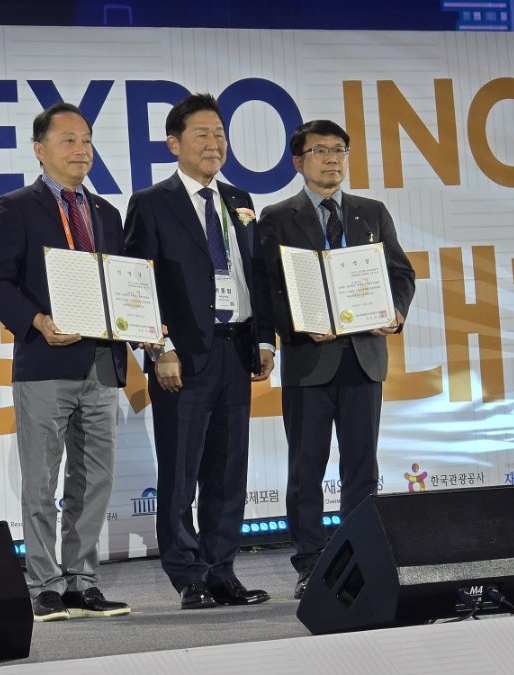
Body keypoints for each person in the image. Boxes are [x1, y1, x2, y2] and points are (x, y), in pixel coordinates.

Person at [124, 93, 276, 610]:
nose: (214, 144)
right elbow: (137, 283)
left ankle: (222, 570)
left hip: (236, 350)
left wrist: (263, 338)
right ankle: (188, 575)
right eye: (202, 135)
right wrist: (158, 347)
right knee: (180, 472)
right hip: (181, 357)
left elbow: (255, 274)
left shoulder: (238, 198)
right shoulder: (152, 202)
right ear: (174, 144)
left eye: (220, 134)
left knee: (228, 470)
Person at [0, 102, 130, 621]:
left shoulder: (106, 213)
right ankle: (44, 583)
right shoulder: (16, 207)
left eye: (87, 140)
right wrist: (39, 321)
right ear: (40, 150)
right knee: (42, 481)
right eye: (68, 140)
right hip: (45, 362)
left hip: (102, 363)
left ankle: (82, 582)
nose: (81, 149)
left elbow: (123, 286)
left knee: (94, 478)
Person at [258, 119, 416, 600]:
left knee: (362, 468)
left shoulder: (372, 212)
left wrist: (396, 312)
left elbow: (401, 273)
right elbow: (268, 289)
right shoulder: (277, 217)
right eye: (320, 150)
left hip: (363, 357)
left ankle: (358, 560)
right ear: (298, 161)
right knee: (306, 468)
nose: (332, 159)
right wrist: (298, 326)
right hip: (310, 359)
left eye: (340, 150)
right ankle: (310, 563)